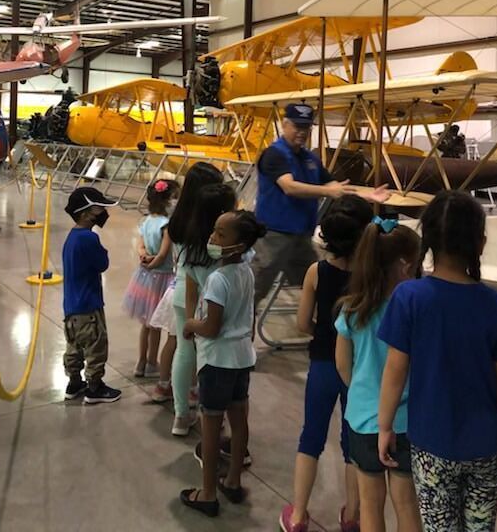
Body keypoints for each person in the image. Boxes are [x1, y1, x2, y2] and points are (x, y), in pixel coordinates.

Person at [378, 191, 497, 532]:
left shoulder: (409, 298)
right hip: (485, 446)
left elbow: (395, 372)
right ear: (481, 243)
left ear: (427, 240)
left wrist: (385, 427)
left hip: (432, 445)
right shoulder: (495, 305)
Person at [280, 195, 374, 532]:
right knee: (354, 442)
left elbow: (303, 323)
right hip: (360, 369)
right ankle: (352, 516)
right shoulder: (372, 274)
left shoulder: (315, 272)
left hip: (323, 362)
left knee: (311, 436)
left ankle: (298, 515)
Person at [253, 103, 389, 306]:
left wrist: (367, 196)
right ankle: (237, 324)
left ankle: (318, 324)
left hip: (302, 235)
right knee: (255, 287)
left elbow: (333, 184)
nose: (302, 132)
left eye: (306, 128)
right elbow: (289, 187)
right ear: (285, 124)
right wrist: (328, 192)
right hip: (274, 236)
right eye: (297, 127)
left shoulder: (310, 158)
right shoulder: (275, 154)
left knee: (318, 283)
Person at [335, 219, 422, 532]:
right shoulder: (416, 311)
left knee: (370, 506)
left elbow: (343, 367)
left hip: (362, 419)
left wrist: (363, 390)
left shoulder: (352, 310)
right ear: (405, 266)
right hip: (408, 420)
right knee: (407, 504)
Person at [180, 210, 265, 518]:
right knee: (240, 417)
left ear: (238, 246)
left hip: (218, 361)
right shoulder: (247, 271)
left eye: (220, 235)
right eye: (214, 232)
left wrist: (190, 323)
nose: (212, 239)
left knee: (211, 427)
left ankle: (207, 493)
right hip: (242, 358)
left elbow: (212, 327)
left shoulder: (218, 279)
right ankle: (232, 480)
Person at [167, 163, 231, 435]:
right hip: (212, 296)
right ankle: (211, 414)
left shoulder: (178, 221)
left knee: (184, 351)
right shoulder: (214, 228)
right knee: (211, 360)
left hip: (181, 292)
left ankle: (181, 416)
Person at [62, 186, 122, 405]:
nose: (103, 213)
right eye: (99, 209)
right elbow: (102, 264)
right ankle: (94, 388)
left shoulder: (72, 236)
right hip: (89, 306)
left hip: (71, 307)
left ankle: (74, 382)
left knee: (74, 346)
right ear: (87, 212)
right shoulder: (88, 238)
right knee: (96, 347)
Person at [123, 179, 179, 379]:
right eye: (175, 198)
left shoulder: (146, 221)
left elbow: (140, 245)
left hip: (144, 277)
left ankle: (140, 362)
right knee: (155, 325)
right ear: (167, 200)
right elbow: (164, 254)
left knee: (145, 324)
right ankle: (152, 361)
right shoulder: (166, 225)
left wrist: (144, 259)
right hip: (160, 278)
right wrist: (154, 263)